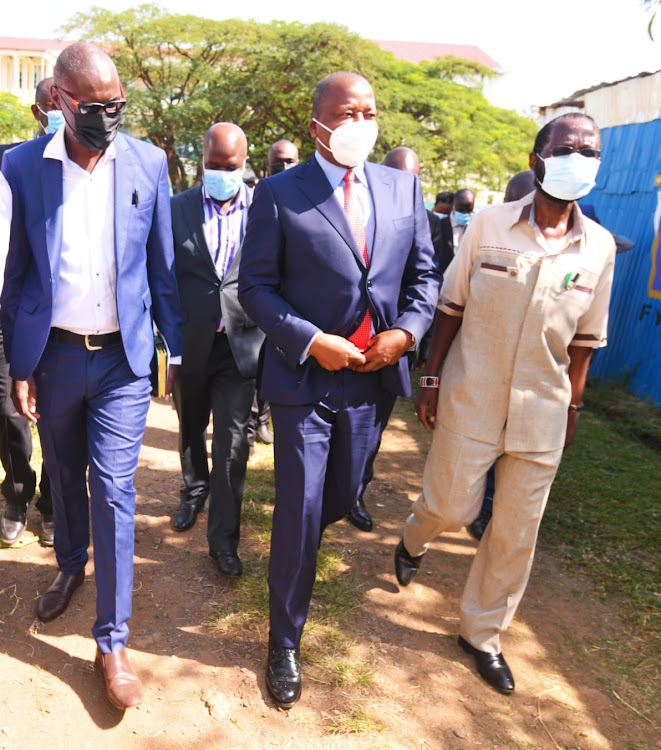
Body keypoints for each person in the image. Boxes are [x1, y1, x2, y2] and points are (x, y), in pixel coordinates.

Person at [395, 113, 615, 695]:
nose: (579, 158)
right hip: (472, 397)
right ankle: (415, 536)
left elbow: (587, 343)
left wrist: (573, 410)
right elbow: (450, 306)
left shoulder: (597, 247)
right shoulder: (489, 224)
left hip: (544, 409)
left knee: (516, 533)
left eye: (589, 151)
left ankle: (482, 634)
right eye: (567, 148)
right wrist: (432, 380)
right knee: (451, 506)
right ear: (537, 157)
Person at [239, 72, 439, 709]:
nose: (361, 122)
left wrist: (406, 335)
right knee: (298, 511)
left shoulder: (403, 188)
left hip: (373, 379)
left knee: (343, 492)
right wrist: (310, 338)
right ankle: (285, 640)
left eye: (370, 111)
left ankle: (313, 533)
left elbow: (424, 279)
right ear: (317, 125)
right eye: (347, 113)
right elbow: (256, 289)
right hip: (304, 379)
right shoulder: (277, 194)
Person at [1, 42, 182, 709]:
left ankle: (112, 639)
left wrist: (175, 357)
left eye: (118, 105)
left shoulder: (149, 162)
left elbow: (162, 269)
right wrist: (20, 363)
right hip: (53, 356)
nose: (109, 116)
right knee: (66, 479)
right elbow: (15, 273)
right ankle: (70, 566)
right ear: (58, 98)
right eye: (95, 106)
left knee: (111, 488)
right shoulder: (20, 168)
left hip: (121, 362)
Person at [171, 123, 264, 578]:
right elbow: (165, 284)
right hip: (191, 343)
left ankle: (223, 541)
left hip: (241, 346)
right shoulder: (176, 210)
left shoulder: (265, 210)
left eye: (230, 167)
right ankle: (193, 492)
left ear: (244, 164)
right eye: (213, 166)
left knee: (233, 445)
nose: (221, 174)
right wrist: (169, 350)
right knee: (191, 428)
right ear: (201, 161)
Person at [345, 145, 443, 533]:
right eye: (401, 175)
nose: (408, 184)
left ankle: (356, 492)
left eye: (414, 177)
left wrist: (411, 335)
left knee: (373, 430)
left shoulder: (431, 221)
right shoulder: (360, 211)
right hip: (352, 335)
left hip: (400, 343)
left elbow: (433, 279)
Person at [0, 77, 61, 547]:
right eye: (50, 105)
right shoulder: (11, 162)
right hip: (11, 306)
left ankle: (56, 503)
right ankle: (19, 492)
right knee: (9, 412)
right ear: (36, 111)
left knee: (59, 412)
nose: (58, 112)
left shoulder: (89, 165)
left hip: (61, 314)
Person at [467, 169, 537, 542]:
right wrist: (431, 381)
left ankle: (491, 510)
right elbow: (453, 308)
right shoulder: (487, 234)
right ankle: (472, 507)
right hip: (480, 377)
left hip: (532, 384)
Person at [246, 139, 301, 452]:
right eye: (278, 160)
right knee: (252, 371)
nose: (284, 165)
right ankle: (250, 428)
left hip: (287, 304)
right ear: (267, 163)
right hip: (256, 299)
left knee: (275, 366)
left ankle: (264, 421)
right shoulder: (257, 193)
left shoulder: (303, 197)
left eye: (290, 160)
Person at [436, 189, 476, 274]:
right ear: (453, 206)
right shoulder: (440, 226)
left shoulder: (476, 227)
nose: (465, 213)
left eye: (469, 210)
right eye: (461, 209)